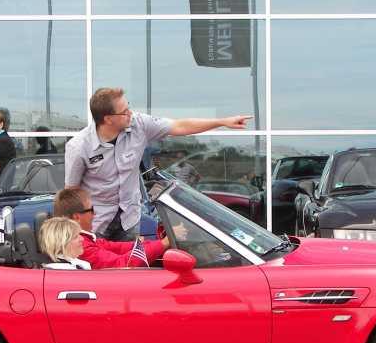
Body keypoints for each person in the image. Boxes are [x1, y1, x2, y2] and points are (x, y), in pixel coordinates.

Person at [65, 87, 250, 241]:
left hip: (129, 221)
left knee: (131, 269)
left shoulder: (139, 125)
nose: (130, 113)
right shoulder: (79, 147)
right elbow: (71, 193)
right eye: (124, 111)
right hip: (95, 225)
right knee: (99, 270)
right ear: (108, 119)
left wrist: (222, 122)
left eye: (129, 107)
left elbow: (180, 126)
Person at [53, 187, 170, 268]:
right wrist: (164, 243)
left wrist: (153, 244)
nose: (95, 214)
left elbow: (118, 248)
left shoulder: (85, 240)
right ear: (77, 217)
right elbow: (122, 264)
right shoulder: (80, 246)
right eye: (91, 210)